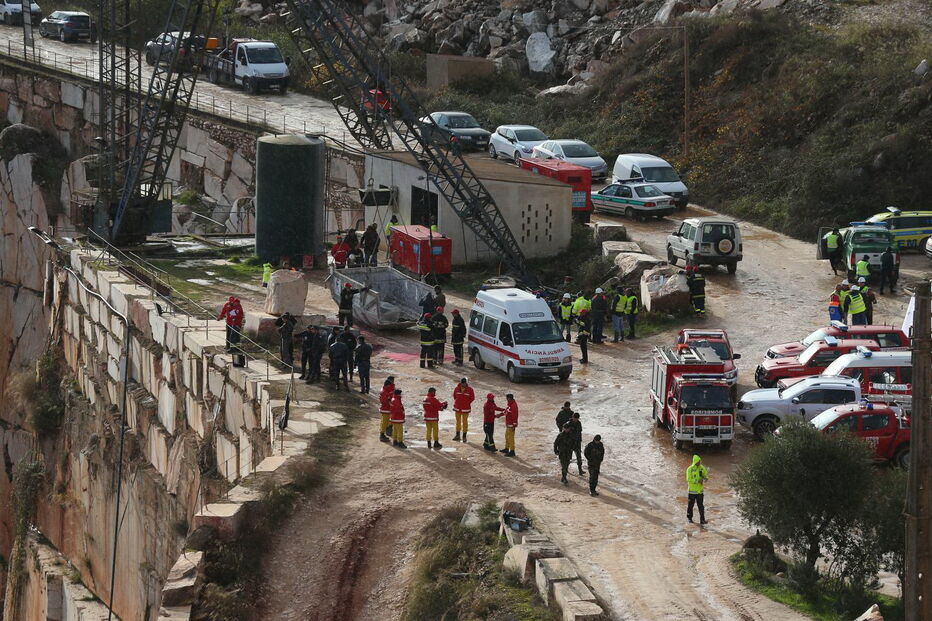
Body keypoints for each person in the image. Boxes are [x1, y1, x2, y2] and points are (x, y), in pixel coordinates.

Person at [686, 454, 709, 524]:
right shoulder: (689, 469)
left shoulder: (702, 468)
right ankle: (689, 519)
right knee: (690, 506)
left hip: (700, 492)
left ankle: (702, 520)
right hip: (692, 492)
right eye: (698, 461)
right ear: (695, 462)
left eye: (700, 461)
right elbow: (688, 479)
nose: (699, 463)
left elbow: (706, 476)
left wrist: (705, 479)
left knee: (701, 506)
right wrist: (697, 481)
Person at [452, 377, 475, 442]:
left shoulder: (470, 389)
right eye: (462, 383)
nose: (463, 385)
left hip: (465, 409)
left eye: (464, 383)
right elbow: (454, 396)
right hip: (457, 408)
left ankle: (464, 436)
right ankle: (457, 435)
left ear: (466, 383)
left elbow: (472, 398)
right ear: (461, 383)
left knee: (465, 422)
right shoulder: (456, 388)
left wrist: (467, 403)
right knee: (458, 422)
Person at [378, 376, 395, 442]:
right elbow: (384, 401)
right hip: (385, 409)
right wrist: (390, 401)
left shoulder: (389, 389)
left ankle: (387, 431)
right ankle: (382, 435)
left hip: (388, 409)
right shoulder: (384, 392)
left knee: (388, 421)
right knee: (384, 422)